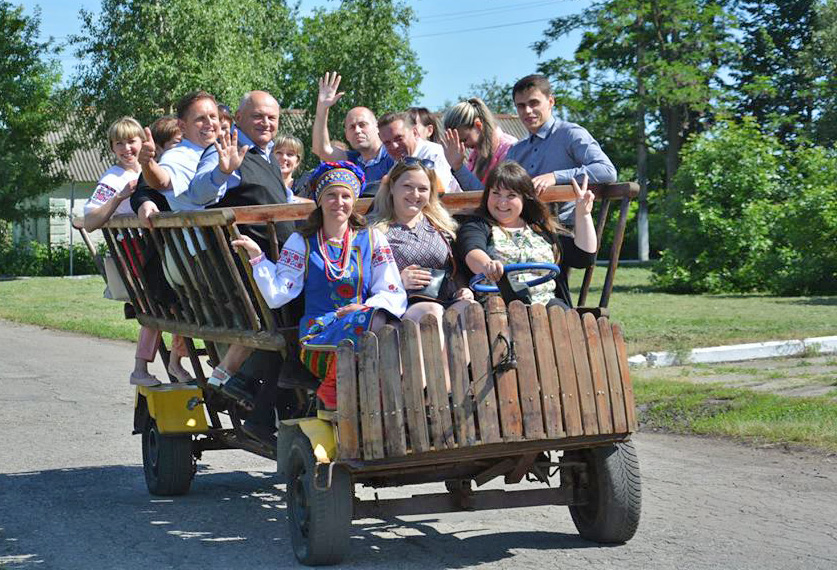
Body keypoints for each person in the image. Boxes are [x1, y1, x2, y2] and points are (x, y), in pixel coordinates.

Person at [232, 161, 407, 410]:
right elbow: (278, 294)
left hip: (364, 325)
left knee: (385, 323)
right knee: (374, 326)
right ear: (320, 200)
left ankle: (379, 398)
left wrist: (364, 308)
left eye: (346, 196)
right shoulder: (302, 241)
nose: (339, 202)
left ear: (354, 200)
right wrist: (258, 258)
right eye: (331, 195)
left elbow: (391, 289)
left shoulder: (372, 238)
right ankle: (338, 388)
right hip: (320, 337)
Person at [82, 117, 190, 385]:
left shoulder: (149, 171)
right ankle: (142, 368)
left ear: (144, 143)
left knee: (179, 303)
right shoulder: (113, 178)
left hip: (154, 248)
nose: (126, 148)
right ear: (111, 147)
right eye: (119, 143)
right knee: (155, 306)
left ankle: (175, 362)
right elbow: (90, 220)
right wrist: (119, 197)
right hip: (135, 252)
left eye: (132, 141)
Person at [370, 158, 474, 387]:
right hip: (401, 306)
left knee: (470, 309)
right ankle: (429, 390)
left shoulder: (442, 226)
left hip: (446, 298)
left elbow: (454, 268)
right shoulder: (375, 230)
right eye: (407, 186)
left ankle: (452, 387)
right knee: (431, 311)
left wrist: (463, 289)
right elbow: (362, 279)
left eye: (423, 188)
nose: (415, 194)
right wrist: (397, 282)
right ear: (392, 187)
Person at [456, 161, 597, 309]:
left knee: (560, 315)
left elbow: (584, 257)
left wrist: (583, 214)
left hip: (547, 306)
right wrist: (488, 266)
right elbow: (471, 249)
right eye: (496, 193)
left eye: (511, 195)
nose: (502, 202)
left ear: (524, 198)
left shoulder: (539, 228)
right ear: (487, 195)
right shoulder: (478, 225)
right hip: (501, 306)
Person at [506, 73, 616, 227]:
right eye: (521, 106)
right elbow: (494, 192)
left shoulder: (570, 134)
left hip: (566, 231)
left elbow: (607, 171)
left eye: (534, 103)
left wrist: (555, 177)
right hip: (524, 230)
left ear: (551, 101)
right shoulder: (516, 150)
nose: (528, 111)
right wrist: (459, 168)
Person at [131, 90, 221, 223]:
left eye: (213, 116)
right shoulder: (178, 155)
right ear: (182, 126)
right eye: (200, 118)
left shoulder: (225, 148)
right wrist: (147, 163)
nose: (209, 123)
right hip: (208, 239)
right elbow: (162, 182)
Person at [311, 72, 394, 193]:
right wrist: (322, 108)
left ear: (377, 127)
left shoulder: (393, 157)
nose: (357, 131)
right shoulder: (352, 161)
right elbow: (321, 150)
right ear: (346, 136)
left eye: (362, 125)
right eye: (352, 127)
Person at [442, 97, 519, 190]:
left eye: (464, 140)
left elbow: (493, 196)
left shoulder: (510, 148)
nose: (463, 146)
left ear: (478, 125)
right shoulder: (475, 154)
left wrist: (459, 168)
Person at [377, 112, 461, 193]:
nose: (394, 146)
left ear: (414, 133)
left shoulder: (433, 154)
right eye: (387, 143)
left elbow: (438, 193)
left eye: (399, 138)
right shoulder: (398, 162)